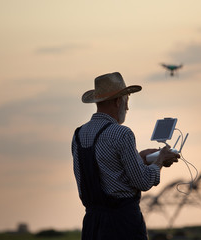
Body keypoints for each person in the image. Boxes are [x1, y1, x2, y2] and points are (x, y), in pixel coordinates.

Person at [71, 72, 180, 240]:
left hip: (92, 226)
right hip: (122, 225)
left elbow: (105, 168)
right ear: (118, 101)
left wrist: (140, 157)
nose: (127, 108)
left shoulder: (78, 134)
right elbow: (143, 182)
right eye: (126, 102)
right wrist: (159, 160)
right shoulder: (122, 133)